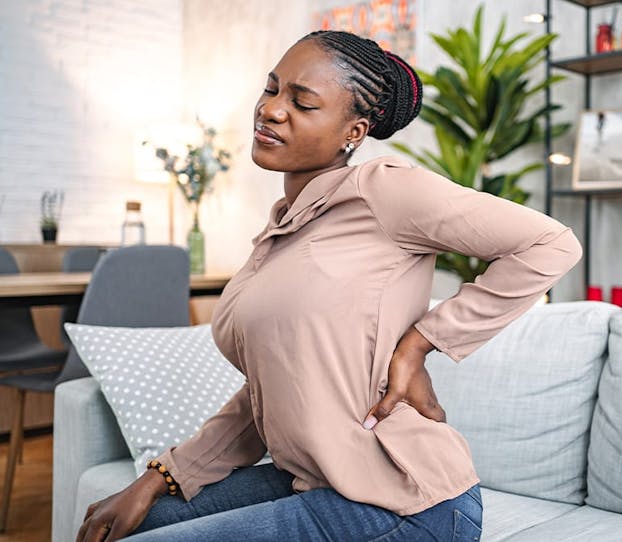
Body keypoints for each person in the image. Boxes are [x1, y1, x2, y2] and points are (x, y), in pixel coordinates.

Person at [75, 30, 582, 542]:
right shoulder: (281, 230)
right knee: (118, 526)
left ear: (353, 131)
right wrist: (160, 477)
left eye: (302, 102)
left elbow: (551, 245)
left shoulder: (385, 191)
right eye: (271, 89)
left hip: (408, 503)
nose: (271, 110)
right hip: (315, 482)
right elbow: (271, 392)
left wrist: (420, 344)